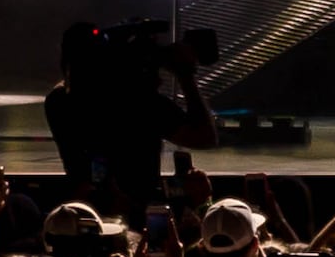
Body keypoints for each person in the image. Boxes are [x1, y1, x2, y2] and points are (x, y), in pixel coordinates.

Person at [43, 20, 218, 224]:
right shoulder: (141, 103)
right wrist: (185, 74)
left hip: (83, 214)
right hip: (136, 218)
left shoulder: (59, 102)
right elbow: (204, 136)